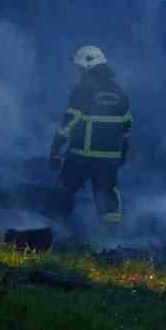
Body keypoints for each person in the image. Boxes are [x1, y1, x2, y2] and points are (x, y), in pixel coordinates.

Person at [49, 44, 132, 227]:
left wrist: (55, 150)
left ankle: (53, 231)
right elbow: (127, 125)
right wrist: (123, 152)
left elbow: (69, 123)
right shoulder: (120, 91)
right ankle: (111, 240)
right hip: (109, 159)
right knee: (109, 195)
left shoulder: (83, 90)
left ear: (87, 67)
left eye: (79, 68)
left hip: (81, 155)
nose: (77, 72)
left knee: (64, 190)